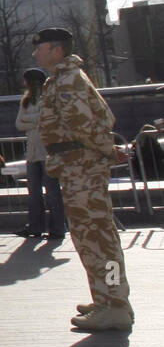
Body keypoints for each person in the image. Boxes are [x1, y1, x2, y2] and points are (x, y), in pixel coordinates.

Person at [32, 27, 134, 331]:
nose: (36, 53)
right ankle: (106, 298)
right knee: (90, 238)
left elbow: (84, 126)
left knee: (100, 240)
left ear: (56, 50)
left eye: (40, 48)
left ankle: (115, 304)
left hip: (83, 168)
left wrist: (107, 150)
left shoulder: (67, 80)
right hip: (77, 167)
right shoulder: (61, 79)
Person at [14, 68, 66, 241]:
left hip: (47, 150)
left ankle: (58, 228)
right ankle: (35, 226)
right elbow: (18, 124)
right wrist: (37, 120)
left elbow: (49, 118)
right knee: (34, 191)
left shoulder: (49, 98)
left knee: (52, 191)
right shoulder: (26, 101)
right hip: (32, 152)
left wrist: (31, 120)